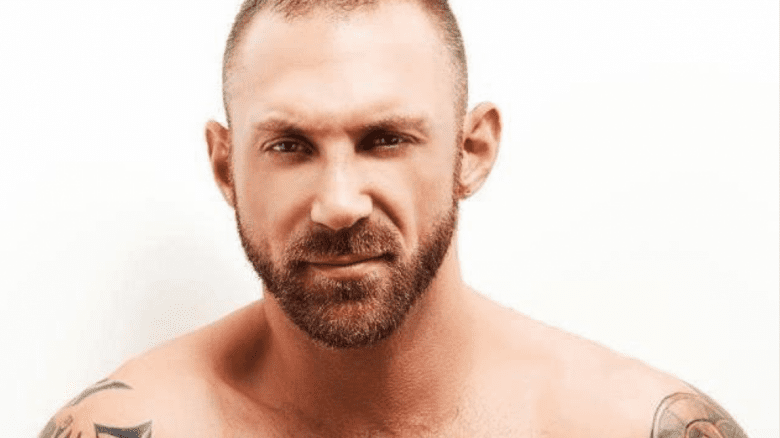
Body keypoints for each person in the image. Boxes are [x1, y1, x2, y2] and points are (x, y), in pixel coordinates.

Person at [39, 0, 750, 437]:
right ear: (227, 168)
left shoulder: (630, 426)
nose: (338, 203)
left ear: (472, 152)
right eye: (289, 146)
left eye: (385, 140)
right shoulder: (135, 427)